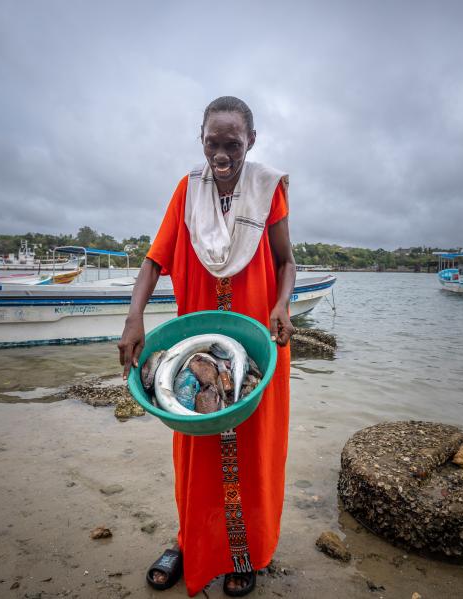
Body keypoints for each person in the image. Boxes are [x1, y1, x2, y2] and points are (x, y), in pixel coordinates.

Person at [118, 96, 295, 597]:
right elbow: (154, 261)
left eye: (233, 144)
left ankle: (246, 553)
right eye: (213, 143)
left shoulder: (268, 190)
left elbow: (287, 262)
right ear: (201, 139)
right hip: (195, 347)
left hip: (256, 348)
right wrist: (134, 318)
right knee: (195, 454)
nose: (222, 154)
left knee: (254, 454)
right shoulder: (186, 191)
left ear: (251, 142)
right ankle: (189, 542)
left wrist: (282, 305)